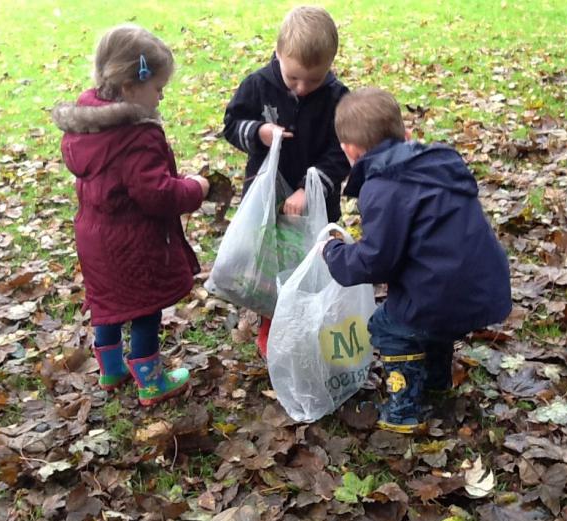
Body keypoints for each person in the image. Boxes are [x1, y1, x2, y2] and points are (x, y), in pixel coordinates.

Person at [323, 88, 512, 433]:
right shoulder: (440, 164)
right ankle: (437, 381)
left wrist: (335, 255)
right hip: (482, 287)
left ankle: (403, 408)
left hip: (439, 293)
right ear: (406, 135)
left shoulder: (381, 188)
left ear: (350, 151)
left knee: (387, 326)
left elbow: (379, 261)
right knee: (429, 320)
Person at [52, 25, 210, 406]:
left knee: (106, 302)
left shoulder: (86, 125)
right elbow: (156, 194)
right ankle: (151, 380)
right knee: (144, 308)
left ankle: (110, 368)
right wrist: (195, 188)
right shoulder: (135, 136)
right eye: (157, 89)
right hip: (132, 242)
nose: (160, 97)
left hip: (93, 239)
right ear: (129, 88)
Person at [222, 6, 349, 358]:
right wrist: (259, 132)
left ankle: (311, 324)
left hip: (315, 203)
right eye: (294, 78)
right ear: (278, 53)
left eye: (314, 79)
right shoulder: (258, 85)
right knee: (272, 267)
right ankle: (271, 326)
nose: (303, 87)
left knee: (312, 264)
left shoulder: (337, 98)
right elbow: (232, 124)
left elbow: (342, 153)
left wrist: (309, 190)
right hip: (266, 201)